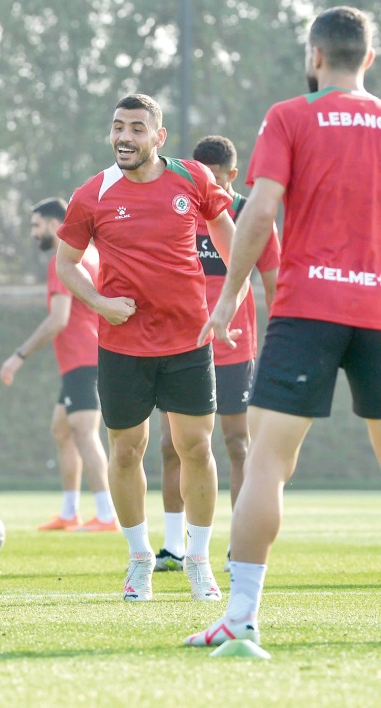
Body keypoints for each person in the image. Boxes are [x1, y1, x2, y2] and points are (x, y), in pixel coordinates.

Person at [187, 6, 381, 647]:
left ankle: (240, 619)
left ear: (314, 57)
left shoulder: (289, 116)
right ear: (369, 61)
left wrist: (227, 301)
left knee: (269, 461)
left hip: (306, 310)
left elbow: (260, 212)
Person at [56, 93, 236, 603]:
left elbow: (231, 240)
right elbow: (67, 265)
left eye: (136, 128)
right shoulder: (92, 194)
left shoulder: (193, 178)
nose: (124, 138)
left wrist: (227, 304)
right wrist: (99, 302)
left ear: (159, 137)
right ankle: (139, 560)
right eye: (118, 127)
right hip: (122, 344)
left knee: (196, 448)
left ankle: (198, 560)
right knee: (126, 450)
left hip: (187, 341)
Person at [155, 137, 279, 572]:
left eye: (216, 177)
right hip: (180, 342)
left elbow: (272, 282)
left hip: (233, 345)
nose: (208, 183)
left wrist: (278, 344)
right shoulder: (178, 202)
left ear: (231, 173)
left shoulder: (250, 214)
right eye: (201, 175)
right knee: (173, 445)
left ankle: (237, 545)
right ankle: (173, 545)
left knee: (237, 443)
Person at [0, 198, 114, 533]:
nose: (33, 233)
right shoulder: (90, 253)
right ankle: (70, 512)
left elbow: (59, 319)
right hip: (82, 360)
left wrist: (18, 356)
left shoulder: (63, 260)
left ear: (53, 225)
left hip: (84, 359)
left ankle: (107, 515)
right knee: (62, 430)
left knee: (84, 433)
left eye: (36, 226)